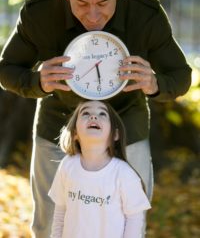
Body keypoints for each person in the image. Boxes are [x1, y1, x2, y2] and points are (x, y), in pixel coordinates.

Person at [0, 0, 191, 238]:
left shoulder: (146, 13)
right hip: (59, 123)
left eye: (102, 3)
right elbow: (7, 69)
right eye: (80, 3)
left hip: (126, 123)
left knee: (128, 220)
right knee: (50, 223)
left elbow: (180, 76)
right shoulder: (40, 9)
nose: (92, 15)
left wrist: (155, 84)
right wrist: (37, 80)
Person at [48, 100, 151, 238]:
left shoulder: (124, 174)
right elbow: (60, 213)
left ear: (115, 135)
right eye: (85, 113)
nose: (93, 116)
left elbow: (134, 219)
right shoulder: (68, 165)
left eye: (102, 113)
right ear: (74, 133)